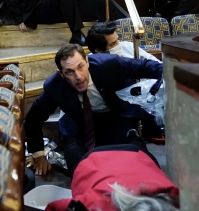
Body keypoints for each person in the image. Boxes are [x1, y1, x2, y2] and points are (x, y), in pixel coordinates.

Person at [25, 44, 163, 176]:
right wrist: (39, 156)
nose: (78, 77)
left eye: (80, 67)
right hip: (79, 123)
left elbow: (143, 66)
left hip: (115, 116)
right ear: (61, 74)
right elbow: (33, 119)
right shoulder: (54, 87)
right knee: (78, 162)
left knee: (133, 153)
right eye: (69, 72)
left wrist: (176, 74)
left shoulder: (108, 64)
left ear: (87, 61)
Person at [46, 131, 179, 211]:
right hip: (93, 162)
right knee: (73, 151)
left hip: (137, 157)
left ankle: (134, 137)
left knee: (74, 151)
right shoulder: (93, 204)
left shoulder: (177, 197)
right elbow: (54, 207)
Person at [86, 21, 160, 62]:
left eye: (117, 40)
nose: (118, 45)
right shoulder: (90, 63)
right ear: (98, 50)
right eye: (113, 44)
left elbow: (156, 63)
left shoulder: (128, 46)